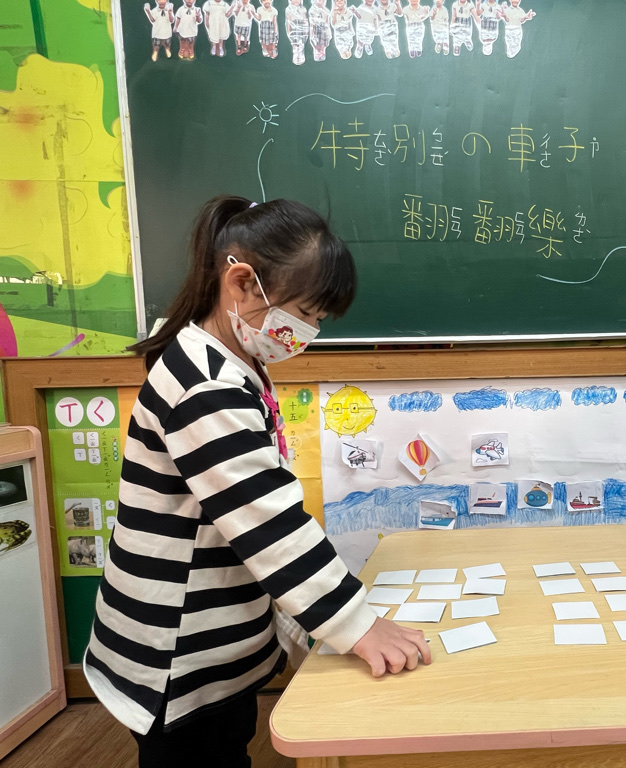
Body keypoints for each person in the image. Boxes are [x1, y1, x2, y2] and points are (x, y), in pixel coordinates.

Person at [83, 196, 431, 767]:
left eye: (318, 321)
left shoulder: (229, 363)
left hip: (210, 644)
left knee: (228, 743)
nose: (307, 332)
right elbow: (268, 522)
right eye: (304, 314)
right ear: (242, 283)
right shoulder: (205, 386)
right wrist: (356, 624)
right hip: (177, 653)